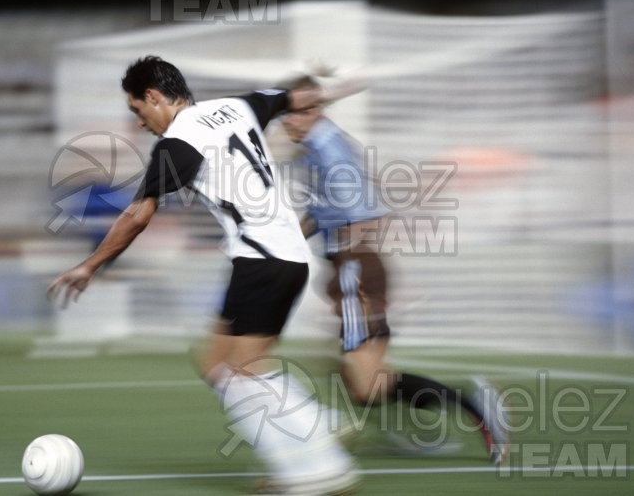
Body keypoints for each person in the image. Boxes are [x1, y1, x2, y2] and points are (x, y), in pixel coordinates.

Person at [48, 56, 360, 495]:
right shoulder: (240, 106)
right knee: (217, 365)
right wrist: (338, 87)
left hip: (263, 259)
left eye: (138, 111)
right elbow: (296, 98)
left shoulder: (178, 143)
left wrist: (89, 265)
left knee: (245, 371)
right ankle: (302, 451)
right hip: (277, 256)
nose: (140, 123)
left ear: (154, 97)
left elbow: (138, 214)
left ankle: (318, 463)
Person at [280, 74, 510, 465]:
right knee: (351, 376)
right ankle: (420, 428)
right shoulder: (315, 152)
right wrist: (285, 241)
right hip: (350, 271)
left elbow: (367, 213)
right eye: (284, 117)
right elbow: (322, 212)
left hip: (354, 270)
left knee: (365, 383)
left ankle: (476, 407)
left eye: (292, 115)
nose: (286, 124)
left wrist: (350, 268)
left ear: (313, 112)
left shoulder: (329, 150)